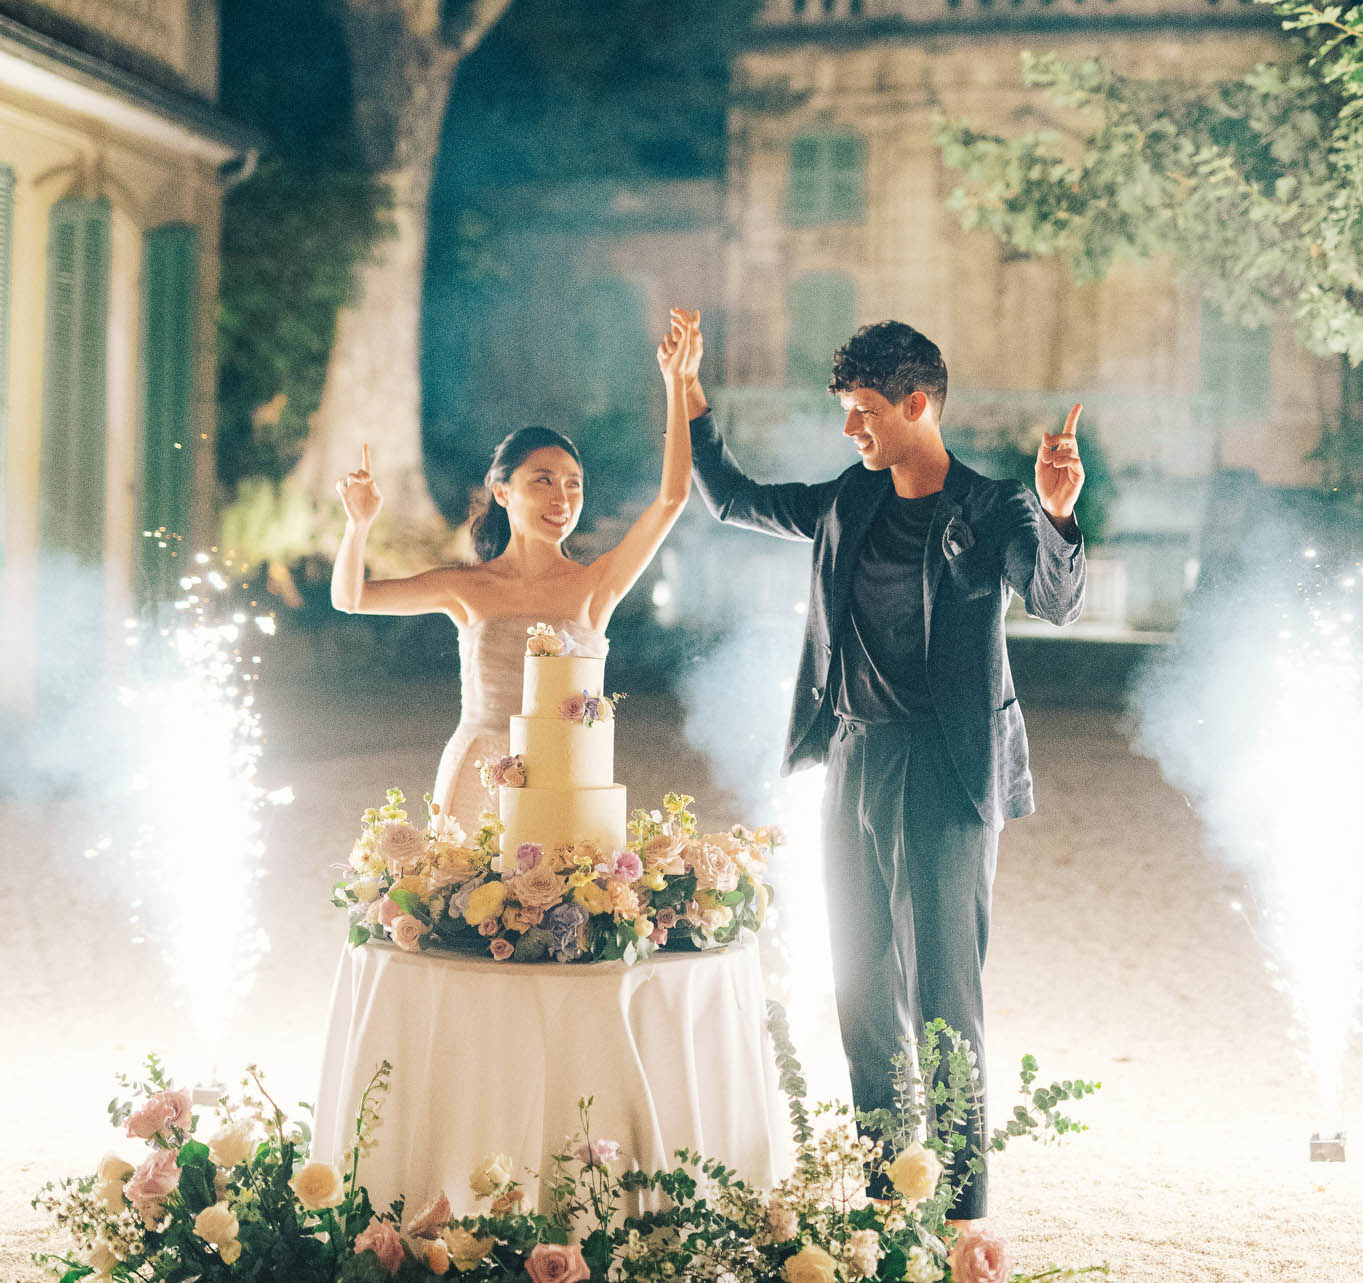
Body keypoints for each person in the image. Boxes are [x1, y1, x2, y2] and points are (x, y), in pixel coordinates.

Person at [672, 311, 1086, 1216]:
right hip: (853, 756)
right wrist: (688, 392)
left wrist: (1055, 513)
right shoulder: (846, 502)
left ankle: (963, 1210)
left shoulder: (992, 506)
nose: (851, 428)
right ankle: (883, 1194)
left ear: (918, 403)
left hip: (947, 772)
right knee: (859, 982)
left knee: (944, 993)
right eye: (847, 411)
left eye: (863, 410)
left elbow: (1055, 601)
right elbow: (731, 498)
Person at [331, 314, 698, 837]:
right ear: (503, 492)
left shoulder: (595, 587)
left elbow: (672, 498)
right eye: (543, 481)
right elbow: (352, 599)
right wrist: (358, 525)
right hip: (477, 777)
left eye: (573, 484)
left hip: (568, 781)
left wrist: (677, 383)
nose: (561, 498)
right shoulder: (467, 588)